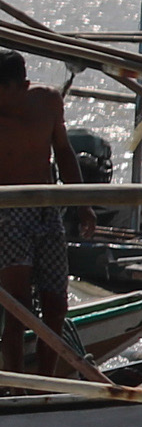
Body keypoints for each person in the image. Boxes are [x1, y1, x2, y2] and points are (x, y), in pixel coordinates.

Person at [0, 51, 76, 375]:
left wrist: (83, 203)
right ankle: (18, 385)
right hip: (8, 213)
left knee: (55, 304)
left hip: (47, 210)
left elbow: (63, 151)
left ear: (24, 86)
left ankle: (47, 383)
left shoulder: (47, 102)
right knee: (17, 308)